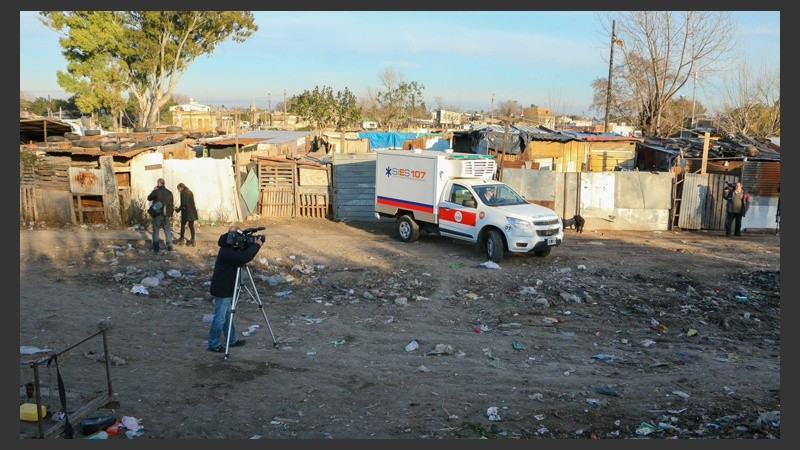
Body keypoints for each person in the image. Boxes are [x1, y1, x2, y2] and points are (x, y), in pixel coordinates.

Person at [207, 226, 264, 353]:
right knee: (220, 317)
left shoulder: (230, 246)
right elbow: (244, 257)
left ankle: (231, 339)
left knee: (227, 316)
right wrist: (257, 245)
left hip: (227, 287)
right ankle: (213, 343)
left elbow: (242, 254)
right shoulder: (228, 251)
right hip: (223, 288)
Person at [146, 178, 175, 253]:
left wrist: (154, 190)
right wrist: (171, 215)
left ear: (159, 183)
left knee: (156, 231)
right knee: (167, 231)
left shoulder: (156, 191)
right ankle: (169, 247)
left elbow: (149, 198)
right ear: (164, 183)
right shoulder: (169, 193)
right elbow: (171, 205)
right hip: (166, 215)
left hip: (157, 214)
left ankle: (156, 248)